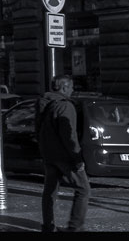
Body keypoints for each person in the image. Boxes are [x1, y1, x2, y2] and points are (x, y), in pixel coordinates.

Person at [36, 74, 90, 233]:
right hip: (64, 155)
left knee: (50, 191)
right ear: (64, 87)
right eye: (71, 87)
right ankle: (75, 226)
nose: (73, 90)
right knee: (83, 189)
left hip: (49, 154)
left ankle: (48, 225)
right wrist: (77, 157)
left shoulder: (44, 103)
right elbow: (69, 135)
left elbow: (38, 129)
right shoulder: (65, 106)